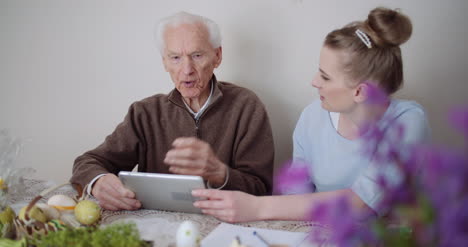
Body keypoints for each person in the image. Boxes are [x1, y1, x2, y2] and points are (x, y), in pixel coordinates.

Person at [192, 7, 430, 223]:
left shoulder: (407, 123)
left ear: (360, 91)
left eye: (325, 77)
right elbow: (296, 195)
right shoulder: (312, 116)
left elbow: (362, 203)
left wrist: (257, 207)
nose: (314, 82)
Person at [70, 12, 274, 211]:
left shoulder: (247, 106)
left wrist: (221, 174)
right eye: (175, 57)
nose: (187, 69)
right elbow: (87, 162)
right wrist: (98, 181)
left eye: (197, 55)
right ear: (164, 62)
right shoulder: (145, 113)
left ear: (217, 56)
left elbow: (261, 189)